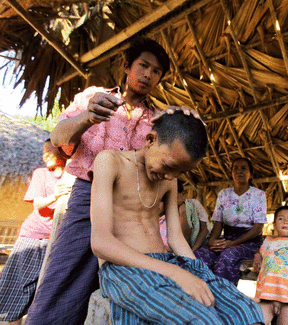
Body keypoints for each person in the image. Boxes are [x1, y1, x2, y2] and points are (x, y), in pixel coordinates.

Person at [26, 37, 200, 325]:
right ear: (126, 66)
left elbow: (166, 160)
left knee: (125, 284)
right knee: (64, 277)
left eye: (156, 71)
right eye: (143, 65)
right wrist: (87, 117)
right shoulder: (93, 97)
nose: (148, 74)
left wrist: (188, 122)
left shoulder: (157, 120)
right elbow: (58, 138)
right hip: (87, 194)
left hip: (132, 206)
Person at [91, 111, 264, 324]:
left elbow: (175, 239)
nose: (171, 177)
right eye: (169, 166)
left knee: (246, 311)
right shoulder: (109, 162)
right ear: (151, 140)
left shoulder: (169, 180)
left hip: (166, 260)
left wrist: (199, 275)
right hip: (122, 268)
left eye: (180, 173)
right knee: (202, 319)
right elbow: (100, 243)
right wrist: (175, 273)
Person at [0, 139, 71, 325]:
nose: (45, 155)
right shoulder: (41, 174)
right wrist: (55, 195)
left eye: (49, 151)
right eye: (43, 151)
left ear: (63, 151)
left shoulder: (72, 176)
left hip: (56, 241)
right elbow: (38, 204)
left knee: (42, 290)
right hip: (33, 236)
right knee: (16, 287)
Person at [194, 157, 267, 286]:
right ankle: (201, 296)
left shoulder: (258, 195)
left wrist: (233, 243)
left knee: (227, 257)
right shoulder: (224, 194)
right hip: (227, 240)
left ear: (250, 174)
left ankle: (223, 298)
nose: (239, 171)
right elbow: (218, 224)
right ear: (231, 173)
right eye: (235, 168)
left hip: (250, 242)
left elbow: (257, 229)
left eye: (243, 168)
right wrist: (212, 241)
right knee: (200, 255)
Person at [177, 180, 211, 251]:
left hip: (200, 245)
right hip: (180, 247)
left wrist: (193, 250)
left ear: (183, 194)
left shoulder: (194, 204)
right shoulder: (167, 209)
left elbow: (204, 230)